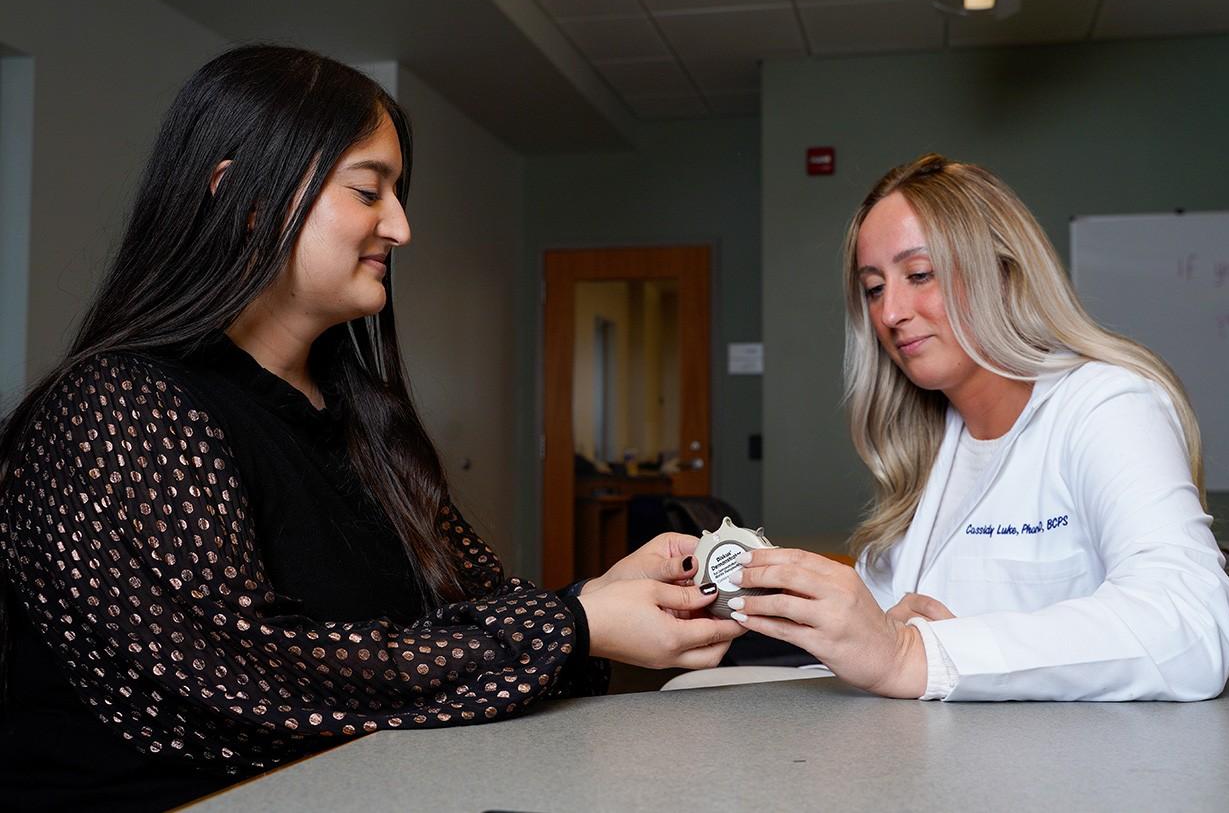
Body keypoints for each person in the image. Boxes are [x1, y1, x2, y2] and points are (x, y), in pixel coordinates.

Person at [0, 45, 742, 810]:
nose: (402, 227)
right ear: (242, 197)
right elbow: (253, 677)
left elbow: (467, 621)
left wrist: (602, 596)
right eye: (367, 190)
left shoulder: (361, 421)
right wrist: (576, 623)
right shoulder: (116, 410)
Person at [723, 153, 1229, 701]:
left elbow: (1188, 629)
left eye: (919, 275)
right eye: (874, 288)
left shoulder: (1106, 404)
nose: (890, 311)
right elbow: (886, 651)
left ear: (1002, 269)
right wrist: (885, 635)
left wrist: (910, 654)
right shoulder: (929, 440)